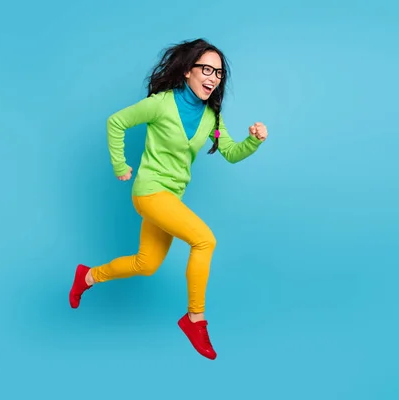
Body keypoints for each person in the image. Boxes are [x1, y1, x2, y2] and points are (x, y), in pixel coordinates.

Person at [68, 38, 268, 360]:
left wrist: (253, 141)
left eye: (218, 73)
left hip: (170, 200)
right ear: (188, 71)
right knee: (204, 240)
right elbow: (116, 122)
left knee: (146, 264)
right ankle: (195, 319)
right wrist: (120, 165)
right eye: (206, 69)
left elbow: (230, 153)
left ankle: (87, 276)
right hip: (149, 192)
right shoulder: (162, 103)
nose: (213, 77)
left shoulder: (211, 119)